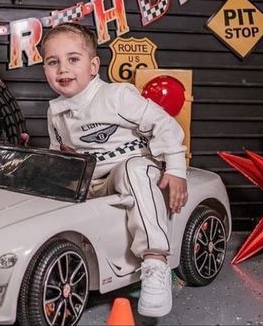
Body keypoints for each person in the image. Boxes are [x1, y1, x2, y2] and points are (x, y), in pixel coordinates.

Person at [41, 22, 188, 317]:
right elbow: (60, 155)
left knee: (136, 168)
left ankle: (155, 261)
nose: (62, 69)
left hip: (128, 173)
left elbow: (165, 125)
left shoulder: (116, 96)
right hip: (88, 181)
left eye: (73, 59)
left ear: (93, 65)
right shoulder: (56, 111)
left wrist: (175, 169)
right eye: (52, 62)